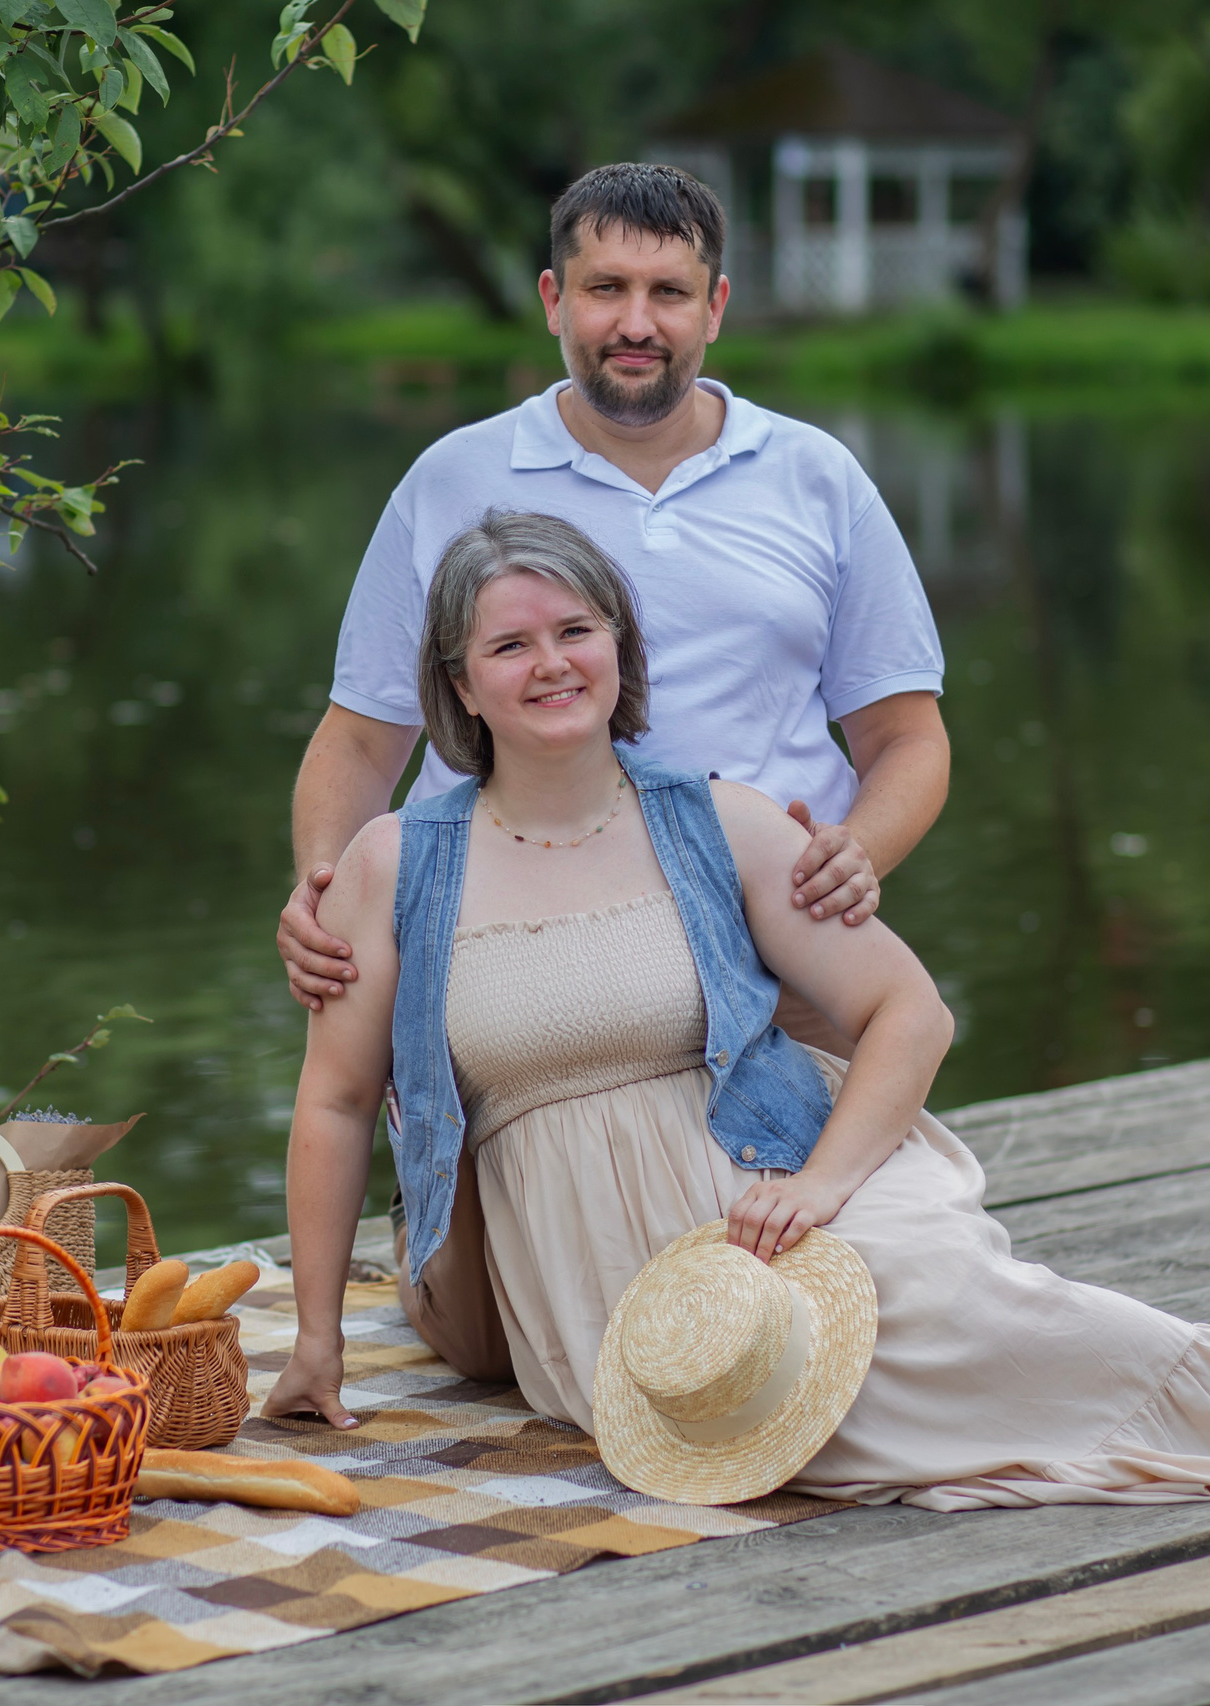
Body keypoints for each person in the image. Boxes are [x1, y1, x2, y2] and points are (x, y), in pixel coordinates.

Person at [262, 512, 1210, 1509]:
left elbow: (910, 1012)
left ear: (620, 648)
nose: (551, 664)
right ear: (458, 686)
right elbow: (330, 1101)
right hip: (583, 1246)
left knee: (933, 1297)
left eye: (576, 629)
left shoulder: (719, 817)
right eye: (509, 645)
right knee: (765, 1398)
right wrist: (315, 1339)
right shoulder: (393, 862)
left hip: (777, 1160)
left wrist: (817, 1187)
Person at [278, 162, 950, 1378]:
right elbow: (361, 736)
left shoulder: (815, 478)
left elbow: (907, 738)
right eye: (603, 288)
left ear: (716, 306)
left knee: (854, 1308)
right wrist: (328, 891)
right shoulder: (452, 480)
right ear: (551, 298)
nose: (634, 321)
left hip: (780, 961)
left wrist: (859, 855)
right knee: (567, 1329)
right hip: (520, 990)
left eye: (666, 290)